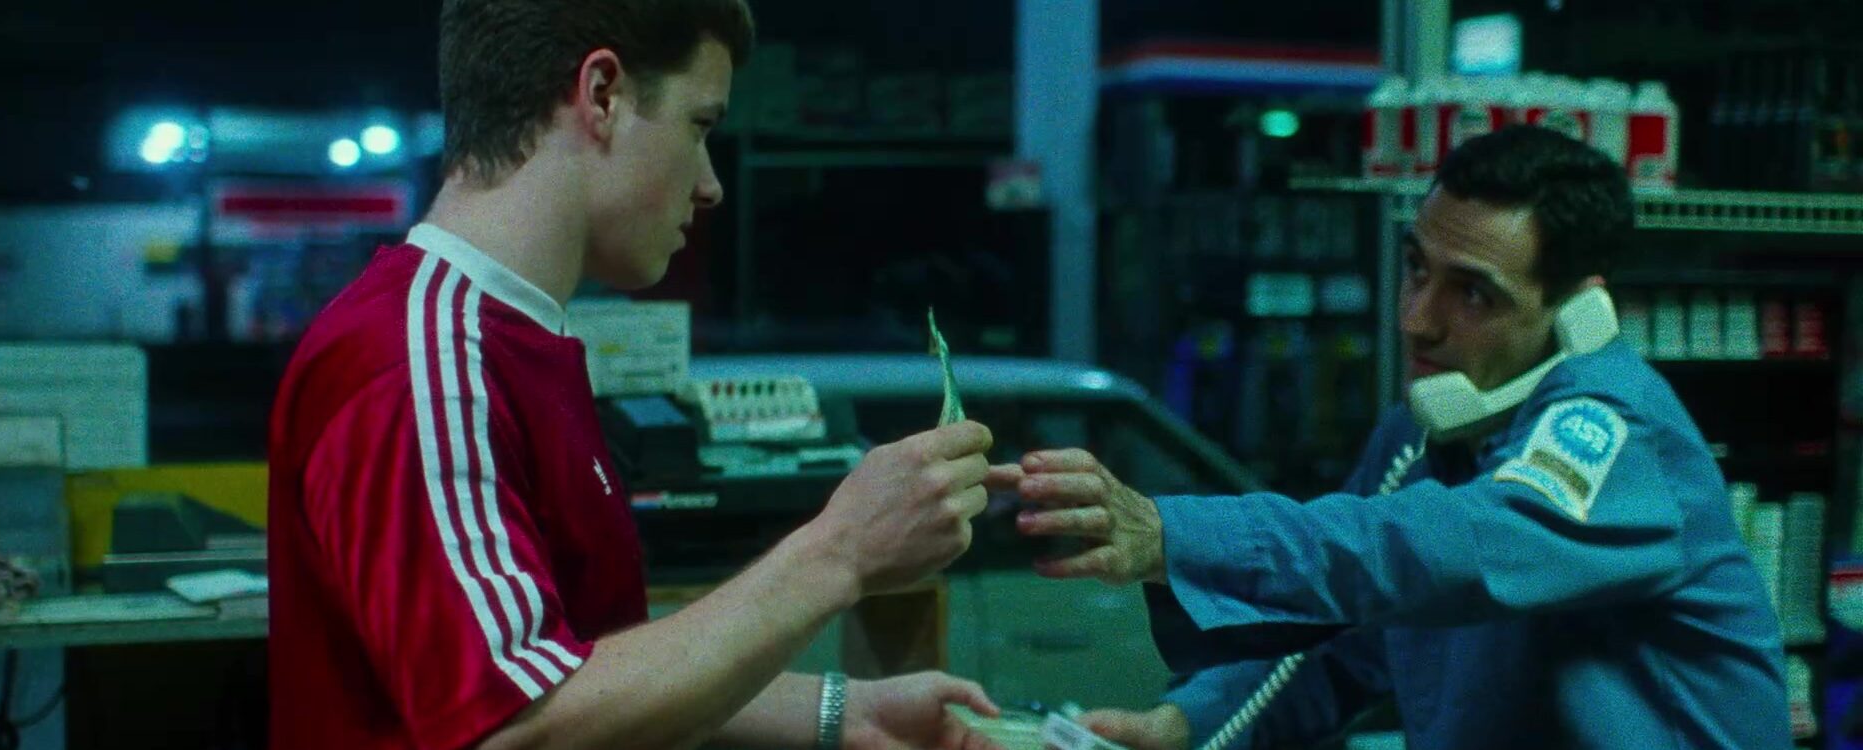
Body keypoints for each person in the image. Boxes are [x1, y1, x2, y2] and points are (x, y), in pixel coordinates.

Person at [266, 1, 1007, 748]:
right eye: (700, 126)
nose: (710, 185)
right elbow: (514, 728)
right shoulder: (425, 362)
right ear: (602, 96)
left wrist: (841, 713)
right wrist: (838, 552)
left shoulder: (514, 341)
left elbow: (577, 671)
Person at [996, 126, 1789, 749]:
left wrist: (1174, 534)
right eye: (1416, 269)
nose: (1417, 319)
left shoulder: (1613, 432)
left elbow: (1452, 551)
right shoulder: (1421, 435)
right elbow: (1347, 638)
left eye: (1472, 295)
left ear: (1580, 315)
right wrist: (1188, 722)